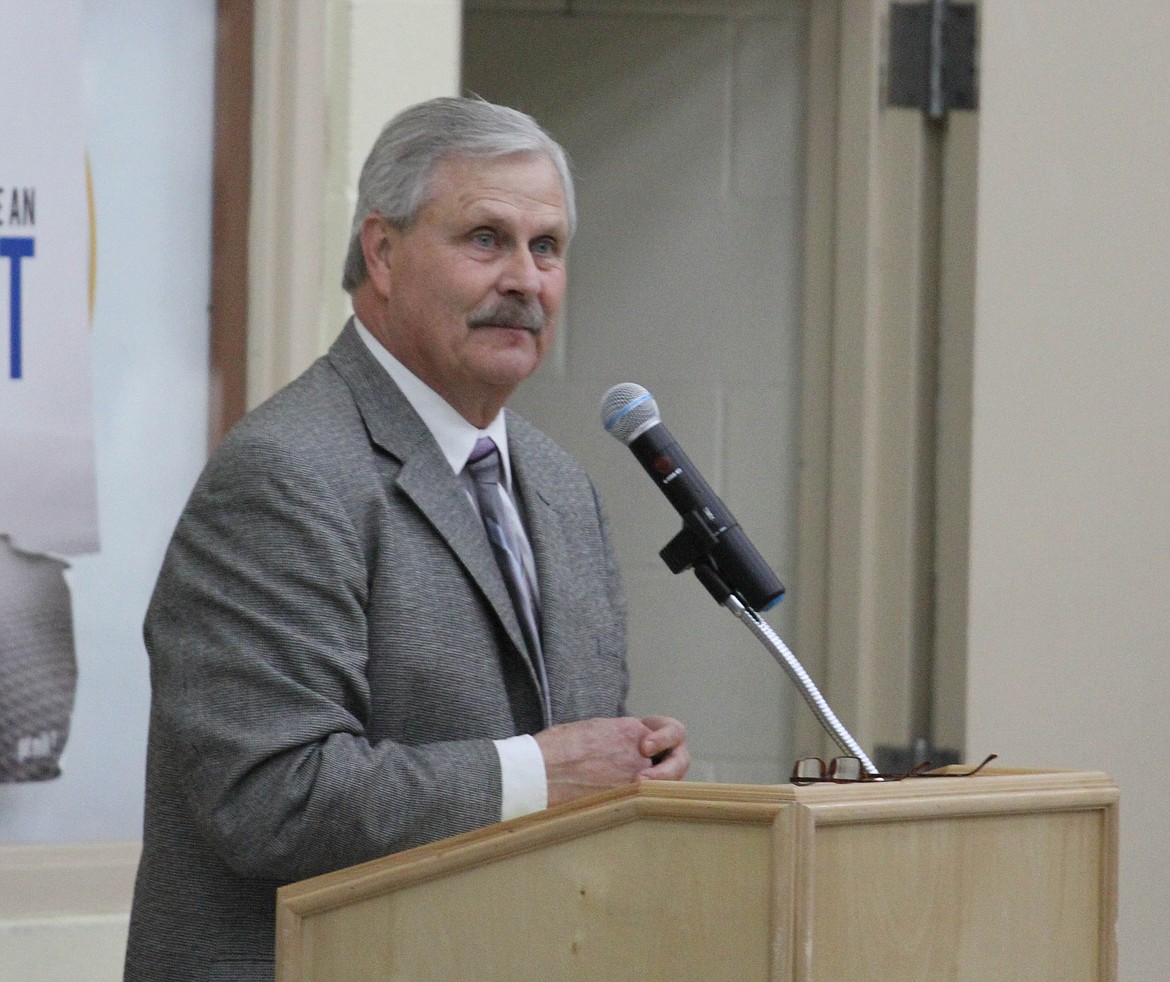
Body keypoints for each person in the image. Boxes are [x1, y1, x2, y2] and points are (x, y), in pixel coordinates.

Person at [124, 96, 688, 981]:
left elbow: (567, 756)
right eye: (485, 239)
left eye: (547, 249)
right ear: (382, 253)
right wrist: (543, 772)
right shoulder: (284, 473)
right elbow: (273, 798)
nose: (525, 281)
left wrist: (633, 771)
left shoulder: (560, 485)